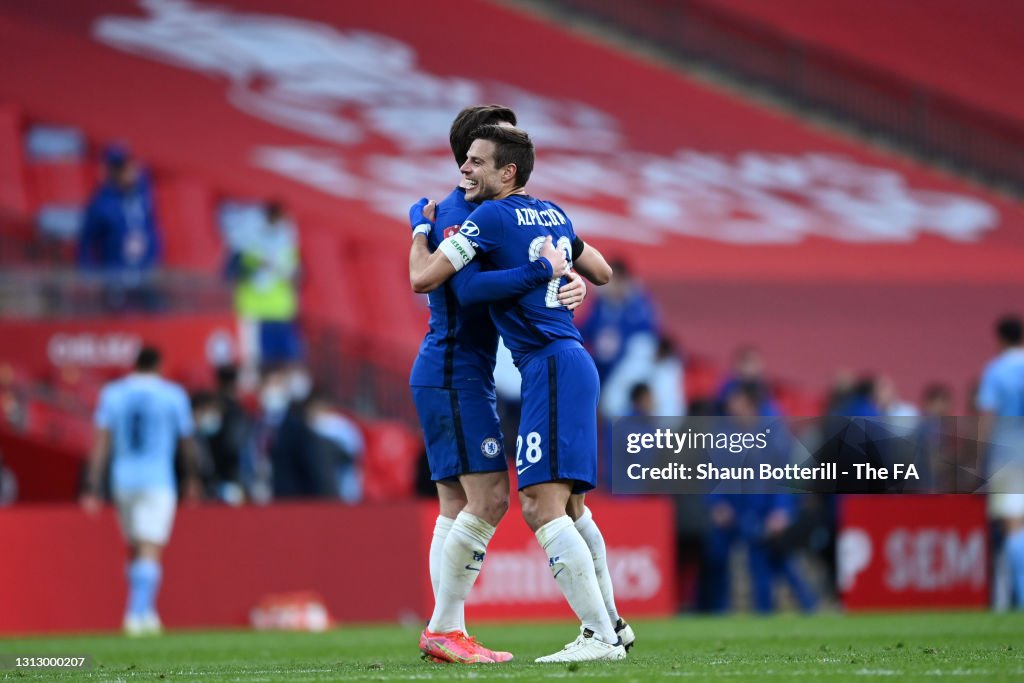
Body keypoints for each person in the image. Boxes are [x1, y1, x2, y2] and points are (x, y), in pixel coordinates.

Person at [410, 124, 628, 662]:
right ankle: (610, 627)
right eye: (467, 156)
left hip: (541, 366)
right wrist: (558, 278)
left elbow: (454, 282)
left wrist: (551, 280)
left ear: (507, 170)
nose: (467, 168)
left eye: (478, 160)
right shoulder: (549, 212)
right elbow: (601, 270)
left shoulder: (481, 216)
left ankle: (600, 633)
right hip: (525, 365)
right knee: (555, 505)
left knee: (535, 503)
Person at [80, 346, 201, 635]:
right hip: (158, 479)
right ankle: (135, 613)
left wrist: (92, 483)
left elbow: (101, 440)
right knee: (150, 546)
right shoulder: (173, 394)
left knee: (136, 547)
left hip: (122, 479)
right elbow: (186, 441)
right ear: (159, 365)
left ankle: (146, 612)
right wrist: (192, 477)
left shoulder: (113, 393)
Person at [76, 144, 163, 311]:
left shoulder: (143, 194)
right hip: (114, 279)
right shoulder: (101, 204)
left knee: (159, 314)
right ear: (112, 172)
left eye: (130, 166)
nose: (130, 172)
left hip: (143, 276)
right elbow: (85, 243)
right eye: (123, 168)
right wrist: (88, 277)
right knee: (118, 316)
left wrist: (154, 257)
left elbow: (153, 228)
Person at [977, 314, 1024, 610]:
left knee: (1013, 526)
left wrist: (980, 458)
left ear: (1000, 338)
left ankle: (1017, 597)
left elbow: (987, 416)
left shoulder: (997, 370)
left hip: (1009, 452)